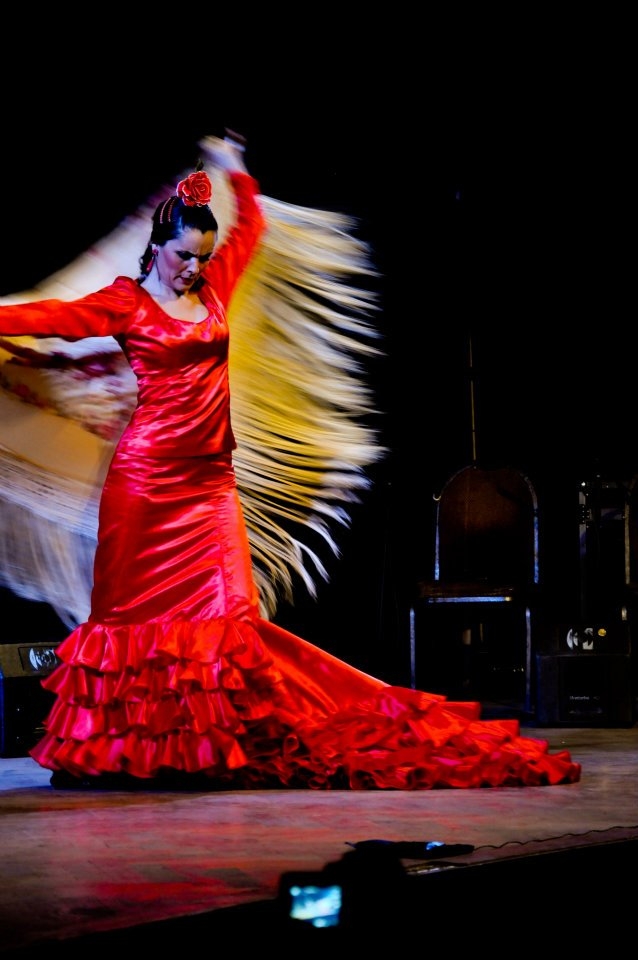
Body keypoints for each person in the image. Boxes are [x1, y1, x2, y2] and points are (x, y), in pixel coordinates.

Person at [0, 133, 581, 790]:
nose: (193, 267)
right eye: (183, 257)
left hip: (207, 488)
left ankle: (212, 747)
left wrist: (233, 169)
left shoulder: (216, 287)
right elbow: (47, 316)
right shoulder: (124, 303)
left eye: (201, 257)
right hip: (142, 486)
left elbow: (252, 223)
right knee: (131, 625)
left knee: (228, 621)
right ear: (158, 248)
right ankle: (123, 753)